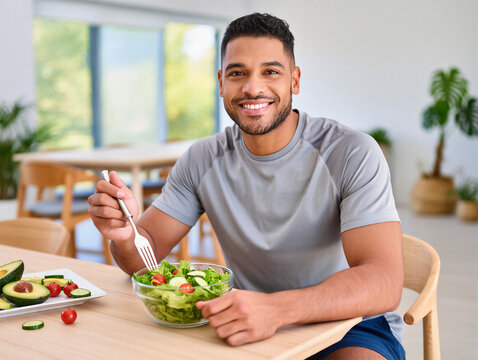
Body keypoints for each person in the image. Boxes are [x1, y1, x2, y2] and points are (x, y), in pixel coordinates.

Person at [88, 13, 405, 360]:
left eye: (270, 71)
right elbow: (144, 259)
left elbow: (384, 281)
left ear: (294, 81)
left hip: (349, 324)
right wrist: (124, 234)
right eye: (238, 73)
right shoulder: (201, 159)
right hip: (244, 319)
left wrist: (277, 309)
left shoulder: (351, 152)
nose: (253, 88)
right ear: (221, 82)